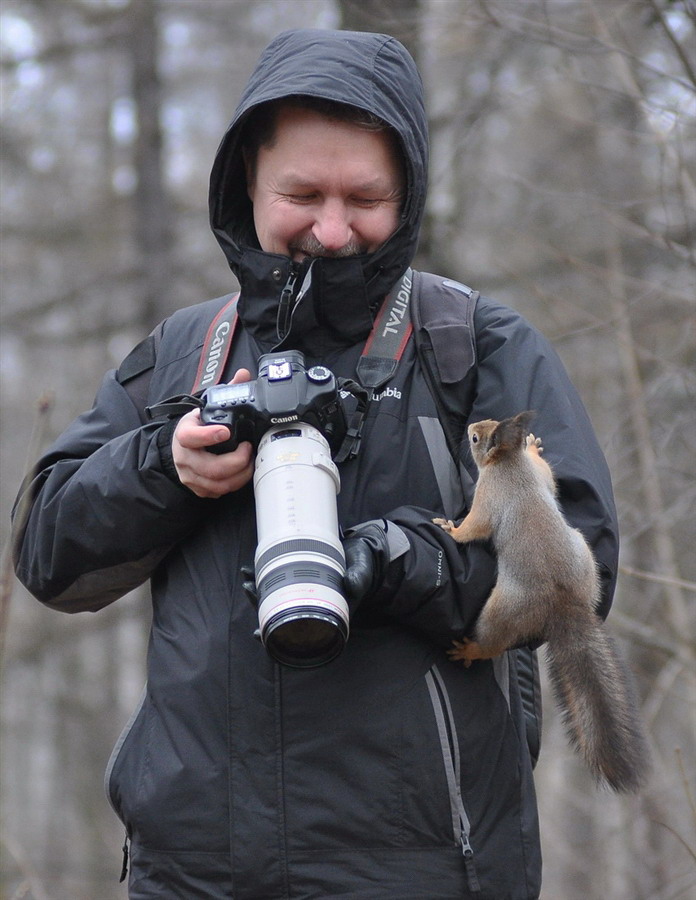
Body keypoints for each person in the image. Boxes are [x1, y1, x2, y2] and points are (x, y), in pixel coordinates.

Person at [13, 29, 619, 899]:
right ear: (245, 187)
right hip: (191, 874)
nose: (333, 231)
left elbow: (582, 575)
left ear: (406, 195)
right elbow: (46, 557)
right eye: (301, 193)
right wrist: (163, 468)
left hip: (421, 870)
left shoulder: (471, 348)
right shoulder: (190, 354)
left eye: (365, 198)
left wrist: (401, 561)